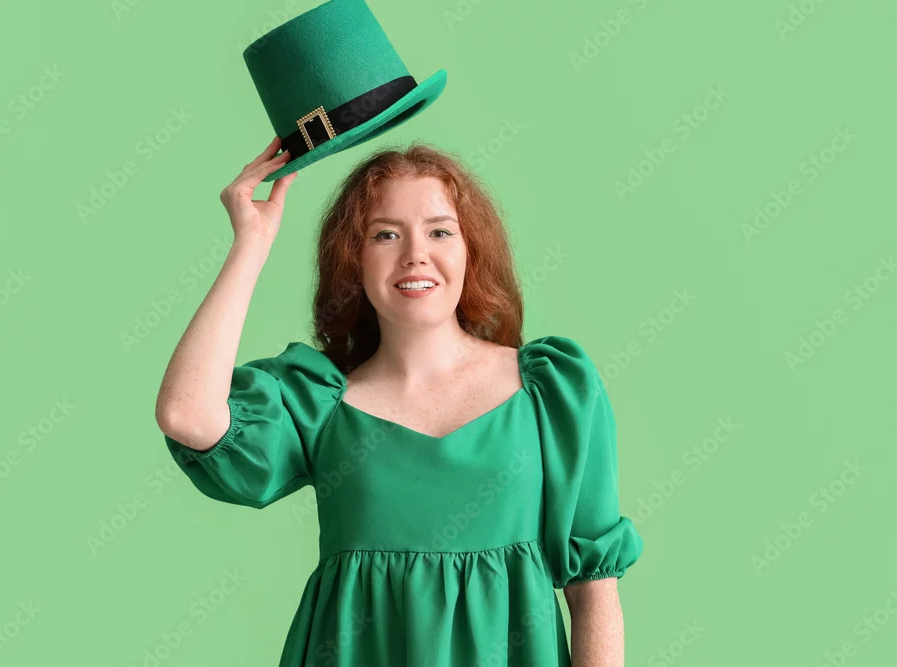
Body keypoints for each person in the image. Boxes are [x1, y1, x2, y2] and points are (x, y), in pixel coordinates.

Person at [155, 135, 644, 666]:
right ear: (355, 261)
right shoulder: (320, 405)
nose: (415, 255)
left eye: (440, 231)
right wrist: (251, 244)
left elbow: (595, 591)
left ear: (471, 250)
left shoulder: (553, 392)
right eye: (385, 234)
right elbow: (186, 413)